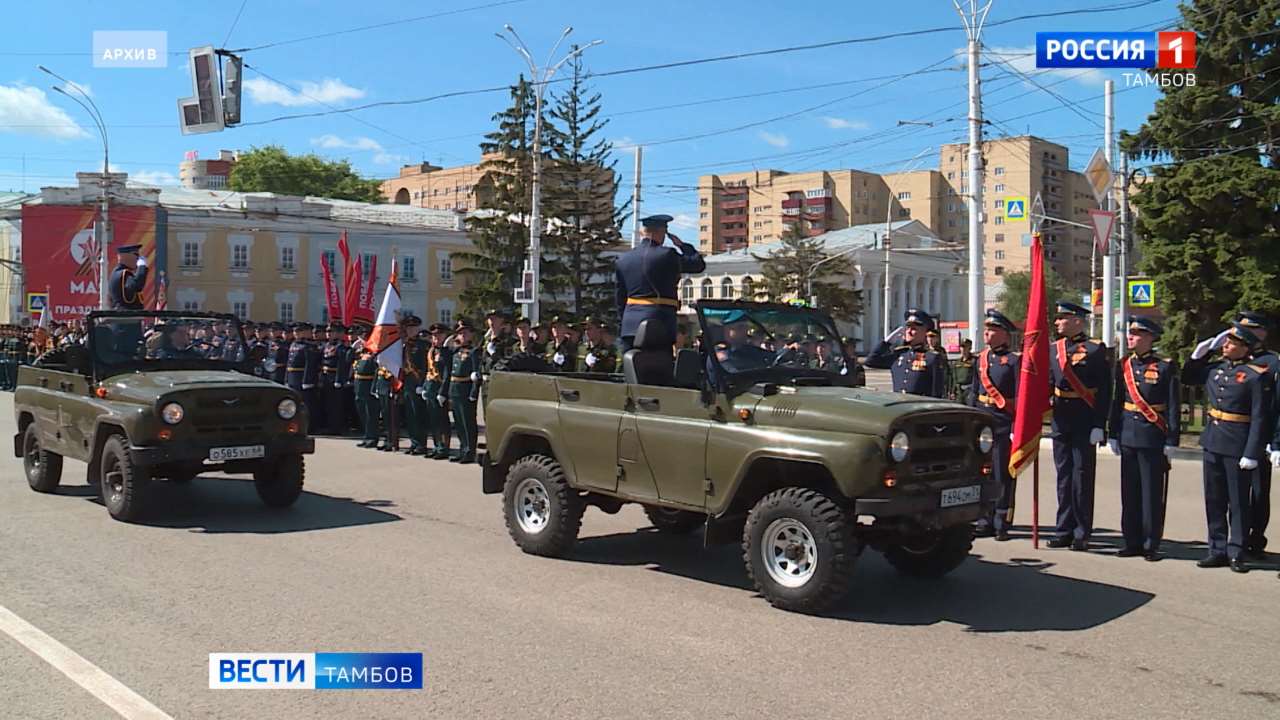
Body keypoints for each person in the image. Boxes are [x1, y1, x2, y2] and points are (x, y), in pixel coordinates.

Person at [1183, 322, 1269, 573]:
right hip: (1213, 441)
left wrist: (1252, 452)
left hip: (1237, 444)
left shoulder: (1255, 375)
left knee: (1238, 501)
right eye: (1225, 342)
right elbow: (1189, 377)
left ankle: (1236, 550)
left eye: (1230, 344)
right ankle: (1217, 548)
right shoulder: (1216, 370)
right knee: (1215, 498)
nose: (1225, 346)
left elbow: (1260, 417)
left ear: (1245, 347)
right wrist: (1200, 353)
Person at [1108, 316, 1180, 562]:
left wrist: (1172, 439)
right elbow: (1117, 402)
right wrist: (1113, 433)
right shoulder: (1124, 365)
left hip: (1152, 437)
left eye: (1137, 334)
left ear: (1150, 338)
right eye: (1130, 333)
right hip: (1128, 434)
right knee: (1130, 493)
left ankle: (1150, 543)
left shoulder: (1165, 366)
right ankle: (1132, 541)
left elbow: (1172, 405)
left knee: (1151, 494)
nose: (1130, 337)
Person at [1047, 301, 1112, 551]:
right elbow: (1050, 384)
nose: (1057, 322)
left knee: (1082, 476)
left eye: (1062, 318)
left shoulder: (1096, 350)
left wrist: (1099, 424)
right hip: (1061, 419)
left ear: (1076, 320)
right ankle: (1063, 529)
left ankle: (1081, 532)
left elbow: (1105, 390)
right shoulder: (1055, 349)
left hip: (1085, 419)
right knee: (1063, 477)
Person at [967, 309, 1021, 540]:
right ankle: (983, 518)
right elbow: (973, 391)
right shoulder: (981, 359)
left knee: (1001, 474)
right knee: (982, 473)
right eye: (986, 329)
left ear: (1004, 335)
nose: (987, 333)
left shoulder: (1015, 361)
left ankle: (1001, 520)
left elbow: (1021, 398)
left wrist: (1016, 427)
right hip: (982, 424)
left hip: (1002, 424)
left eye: (992, 330)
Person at [614, 214, 705, 351]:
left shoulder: (623, 259)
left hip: (630, 325)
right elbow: (697, 265)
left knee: (631, 367)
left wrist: (625, 320)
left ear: (642, 232)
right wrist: (683, 246)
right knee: (658, 367)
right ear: (662, 233)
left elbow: (620, 297)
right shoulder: (667, 255)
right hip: (659, 322)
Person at [1234, 310, 1276, 557]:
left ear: (1262, 333)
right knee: (1235, 493)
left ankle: (1255, 538)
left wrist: (1276, 441)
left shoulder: (1272, 362)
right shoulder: (1235, 359)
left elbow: (1276, 405)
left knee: (1259, 491)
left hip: (1261, 436)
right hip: (1235, 434)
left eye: (1250, 329)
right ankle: (1236, 538)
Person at [864, 309, 947, 397]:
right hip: (900, 407)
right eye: (907, 328)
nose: (909, 332)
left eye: (914, 329)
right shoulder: (899, 354)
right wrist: (886, 343)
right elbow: (871, 361)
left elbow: (936, 392)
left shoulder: (932, 358)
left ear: (924, 332)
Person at [449, 320, 481, 464]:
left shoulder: (474, 352)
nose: (462, 335)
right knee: (459, 422)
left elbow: (476, 374)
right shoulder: (456, 351)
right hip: (455, 389)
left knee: (468, 422)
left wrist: (473, 393)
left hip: (466, 388)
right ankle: (462, 449)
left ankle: (469, 451)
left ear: (471, 335)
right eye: (460, 333)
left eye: (465, 333)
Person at [423, 323, 454, 459]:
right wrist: (424, 387)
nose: (436, 338)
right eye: (434, 335)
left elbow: (447, 375)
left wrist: (443, 392)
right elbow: (428, 371)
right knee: (433, 419)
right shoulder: (431, 351)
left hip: (440, 388)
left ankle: (444, 447)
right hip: (430, 387)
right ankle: (437, 445)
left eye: (439, 335)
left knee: (442, 420)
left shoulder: (447, 353)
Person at [400, 315, 429, 455]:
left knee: (419, 415)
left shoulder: (423, 346)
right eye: (408, 328)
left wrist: (422, 384)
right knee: (409, 415)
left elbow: (426, 366)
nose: (411, 330)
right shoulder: (404, 345)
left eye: (413, 328)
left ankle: (421, 444)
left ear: (418, 328)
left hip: (417, 382)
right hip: (407, 383)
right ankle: (413, 442)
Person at [351, 339, 380, 448]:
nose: (361, 341)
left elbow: (377, 371)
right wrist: (353, 348)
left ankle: (372, 438)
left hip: (368, 386)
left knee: (371, 414)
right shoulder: (360, 353)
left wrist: (374, 387)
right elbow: (348, 359)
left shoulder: (375, 353)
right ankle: (366, 436)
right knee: (362, 413)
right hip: (359, 386)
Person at [108, 244, 148, 311]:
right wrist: (142, 267)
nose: (138, 258)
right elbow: (137, 285)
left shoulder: (116, 272)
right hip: (127, 316)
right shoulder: (124, 273)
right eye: (136, 255)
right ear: (125, 256)